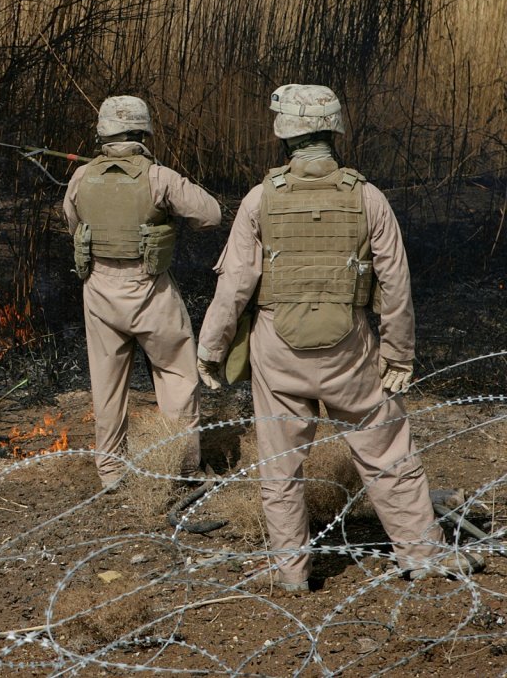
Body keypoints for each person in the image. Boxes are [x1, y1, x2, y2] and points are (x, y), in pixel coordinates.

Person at [196, 83, 484, 591]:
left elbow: (236, 283)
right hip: (349, 350)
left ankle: (291, 573)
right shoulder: (368, 197)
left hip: (276, 350)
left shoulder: (260, 200)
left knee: (280, 468)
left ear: (283, 132)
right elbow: (395, 281)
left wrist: (212, 349)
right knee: (388, 449)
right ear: (333, 129)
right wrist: (398, 353)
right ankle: (422, 555)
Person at [63, 95, 222, 488]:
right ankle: (182, 468)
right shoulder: (158, 177)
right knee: (176, 375)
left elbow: (72, 221)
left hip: (98, 289)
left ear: (103, 132)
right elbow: (211, 214)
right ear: (142, 131)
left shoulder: (82, 177)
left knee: (107, 384)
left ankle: (112, 472)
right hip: (149, 289)